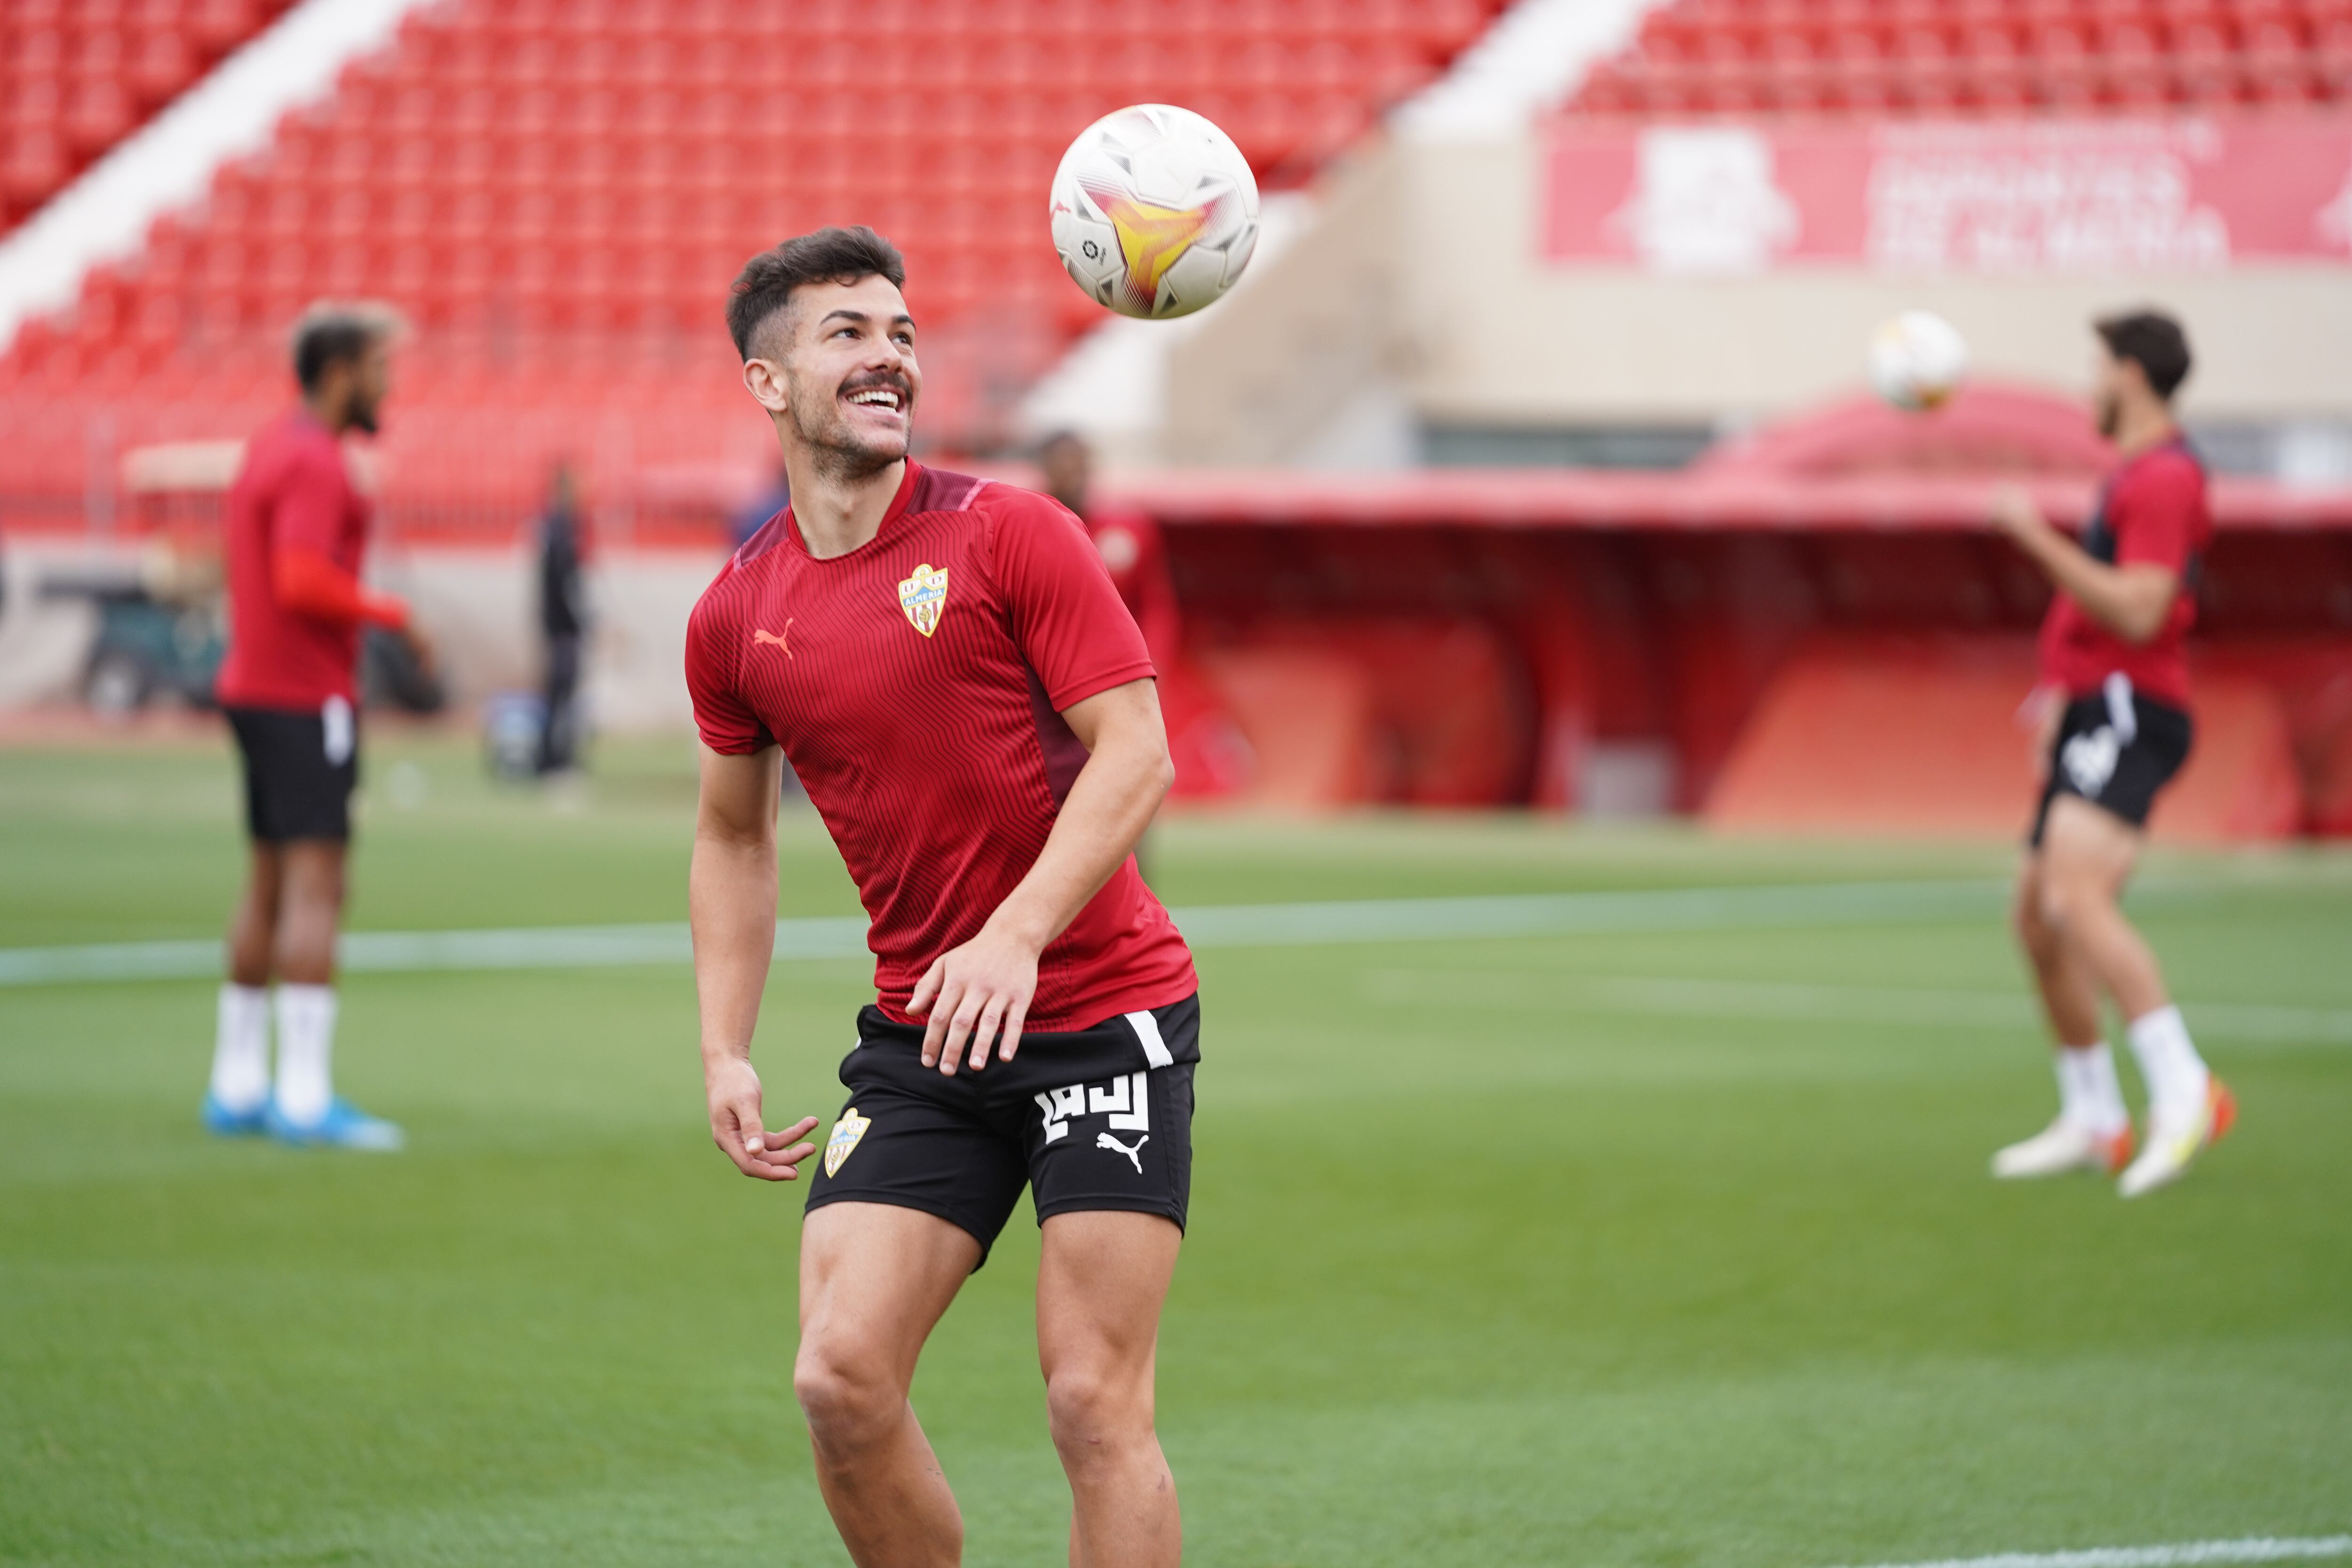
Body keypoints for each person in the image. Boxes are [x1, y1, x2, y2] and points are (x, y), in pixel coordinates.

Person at [684, 227, 1197, 1568]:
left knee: (1094, 1403)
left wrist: (1018, 933)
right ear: (768, 383)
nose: (888, 356)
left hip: (1100, 1015)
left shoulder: (1011, 532)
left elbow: (1136, 752)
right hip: (927, 1042)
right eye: (847, 333)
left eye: (902, 334)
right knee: (838, 1379)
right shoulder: (735, 615)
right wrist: (724, 1044)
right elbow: (735, 835)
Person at [1988, 308, 2233, 1198]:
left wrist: (2032, 535)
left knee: (2075, 896)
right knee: (2036, 919)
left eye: (2096, 366)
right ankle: (2094, 1117)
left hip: (2134, 710)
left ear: (2131, 373)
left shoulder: (2163, 478)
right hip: (2097, 706)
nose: (2089, 383)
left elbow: (2138, 607)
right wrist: (2063, 690)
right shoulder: (2134, 472)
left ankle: (2184, 1085)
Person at [204, 302, 429, 1151]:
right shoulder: (318, 462)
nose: (388, 386)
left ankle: (236, 1081)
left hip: (253, 688)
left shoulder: (268, 445)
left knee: (264, 879)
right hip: (305, 696)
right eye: (379, 368)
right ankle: (302, 1095)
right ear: (340, 373)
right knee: (317, 885)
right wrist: (394, 613)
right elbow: (301, 580)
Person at [1039, 430, 1181, 672]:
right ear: (1047, 470)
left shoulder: (1129, 530)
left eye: (1081, 464)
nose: (1076, 474)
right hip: (1051, 669)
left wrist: (1154, 663)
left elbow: (1155, 604)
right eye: (1065, 465)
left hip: (1118, 669)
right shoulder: (1026, 530)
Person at [534, 461, 589, 776]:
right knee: (561, 694)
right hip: (562, 628)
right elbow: (564, 585)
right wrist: (578, 621)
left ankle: (555, 757)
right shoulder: (560, 529)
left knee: (561, 694)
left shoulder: (556, 527)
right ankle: (554, 760)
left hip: (557, 626)